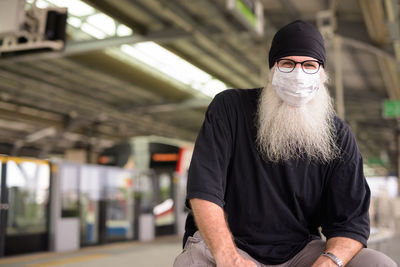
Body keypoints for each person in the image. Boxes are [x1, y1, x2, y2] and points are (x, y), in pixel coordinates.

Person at [173, 20, 397, 267]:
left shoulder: (338, 135)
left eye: (309, 65)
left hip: (300, 253)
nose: (298, 74)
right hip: (228, 246)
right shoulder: (230, 109)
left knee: (378, 263)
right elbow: (204, 190)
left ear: (322, 74)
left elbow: (351, 221)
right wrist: (230, 258)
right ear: (272, 70)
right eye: (288, 64)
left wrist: (330, 260)